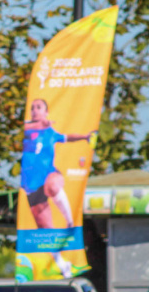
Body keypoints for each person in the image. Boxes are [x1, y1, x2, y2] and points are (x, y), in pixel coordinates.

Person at [21, 98, 95, 277]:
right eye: (32, 108)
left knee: (53, 185)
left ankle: (71, 221)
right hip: (31, 185)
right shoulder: (27, 130)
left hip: (49, 174)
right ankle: (62, 266)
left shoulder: (49, 132)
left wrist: (85, 137)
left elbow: (67, 137)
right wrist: (36, 125)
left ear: (46, 112)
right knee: (45, 231)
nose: (35, 110)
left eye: (39, 107)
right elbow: (25, 127)